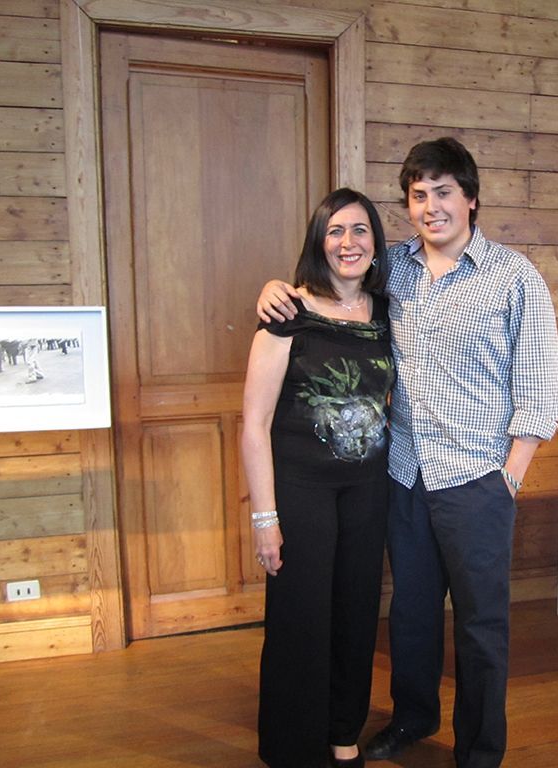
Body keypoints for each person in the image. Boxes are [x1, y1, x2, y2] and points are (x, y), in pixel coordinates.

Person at [256, 138, 558, 768]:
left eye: (444, 192)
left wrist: (510, 473)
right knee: (412, 614)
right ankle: (413, 717)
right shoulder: (391, 268)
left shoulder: (514, 277)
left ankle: (479, 749)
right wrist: (273, 289)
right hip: (402, 473)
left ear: (471, 200)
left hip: (478, 476)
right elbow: (328, 278)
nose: (431, 206)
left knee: (480, 626)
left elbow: (540, 389)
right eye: (419, 195)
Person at [241, 188, 395, 768]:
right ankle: (292, 747)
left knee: (356, 614)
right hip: (301, 491)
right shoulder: (286, 314)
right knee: (300, 617)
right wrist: (265, 519)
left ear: (375, 243)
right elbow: (253, 425)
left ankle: (342, 731)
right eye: (335, 231)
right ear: (318, 242)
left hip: (368, 489)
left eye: (359, 230)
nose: (348, 242)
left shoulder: (386, 311)